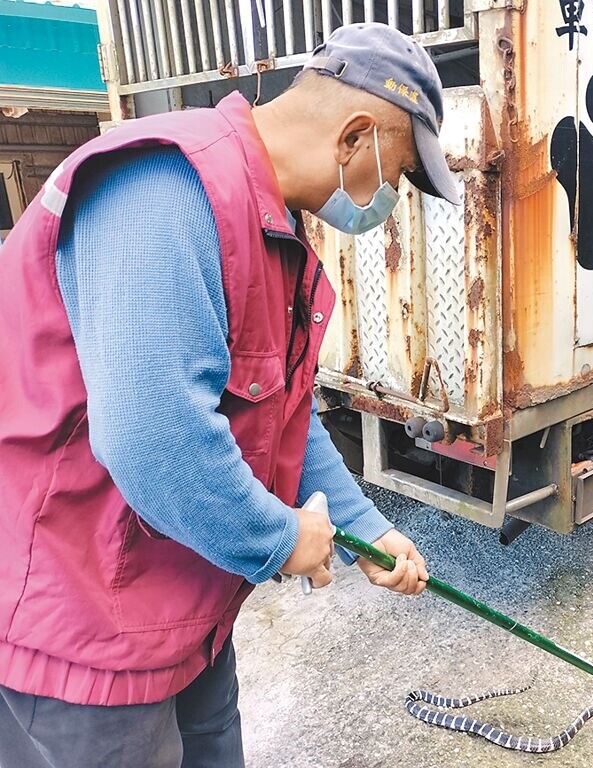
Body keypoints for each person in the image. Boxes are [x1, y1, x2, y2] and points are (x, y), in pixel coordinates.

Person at [0, 23, 460, 768]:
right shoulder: (166, 190)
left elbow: (282, 412)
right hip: (83, 631)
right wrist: (281, 541)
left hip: (180, 609)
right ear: (353, 137)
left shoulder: (269, 229)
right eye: (395, 174)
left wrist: (362, 527)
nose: (385, 205)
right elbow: (154, 438)